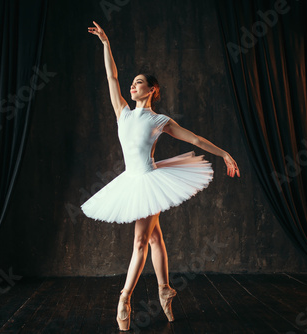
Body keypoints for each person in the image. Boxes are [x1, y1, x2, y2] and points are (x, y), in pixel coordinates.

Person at [85, 21, 240, 331]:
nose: (132, 85)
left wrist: (223, 153)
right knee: (154, 238)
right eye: (132, 83)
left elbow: (194, 140)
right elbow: (111, 76)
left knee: (141, 241)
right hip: (131, 180)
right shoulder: (123, 112)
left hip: (150, 180)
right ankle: (165, 290)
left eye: (139, 82)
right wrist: (106, 44)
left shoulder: (160, 120)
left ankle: (124, 298)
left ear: (152, 89)